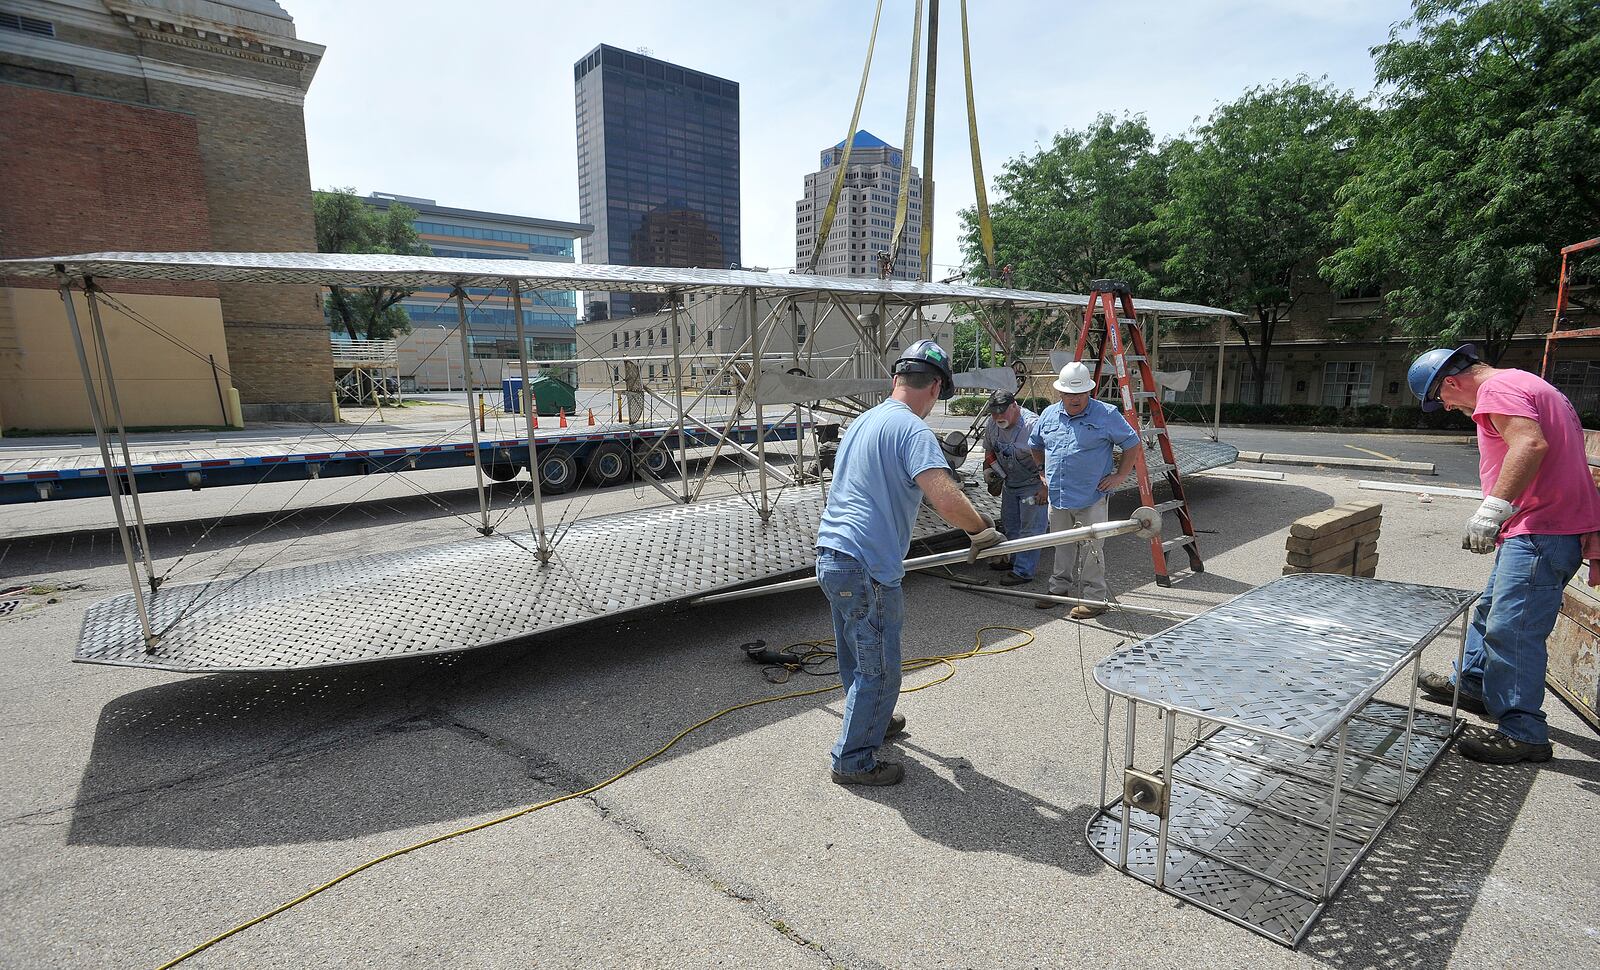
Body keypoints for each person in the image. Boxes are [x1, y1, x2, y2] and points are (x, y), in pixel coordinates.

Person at [815, 338, 1004, 787]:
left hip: (832, 554)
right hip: (867, 562)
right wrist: (982, 529)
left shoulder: (865, 420)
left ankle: (872, 724)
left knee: (855, 654)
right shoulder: (913, 430)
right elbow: (944, 496)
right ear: (935, 387)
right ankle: (853, 759)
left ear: (896, 378)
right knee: (879, 664)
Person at [1408, 344, 1600, 764]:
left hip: (1542, 529)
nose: (1450, 408)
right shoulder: (1527, 383)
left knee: (1513, 630)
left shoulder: (1498, 390)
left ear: (1451, 382)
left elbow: (1528, 445)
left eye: (1443, 400)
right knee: (1492, 610)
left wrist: (1493, 509)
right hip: (1539, 527)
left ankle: (1523, 732)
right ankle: (1475, 684)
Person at [1029, 361, 1140, 619]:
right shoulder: (1048, 415)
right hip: (1058, 496)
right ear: (1060, 393)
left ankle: (1094, 599)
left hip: (1091, 497)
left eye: (1079, 393)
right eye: (1069, 393)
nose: (1074, 398)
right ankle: (1058, 591)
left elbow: (1131, 443)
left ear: (1089, 391)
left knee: (1092, 549)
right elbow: (1034, 444)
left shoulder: (1107, 414)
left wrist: (1120, 475)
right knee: (1061, 545)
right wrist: (1042, 471)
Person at [982, 390, 1047, 586]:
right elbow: (989, 450)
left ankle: (1024, 572)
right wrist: (990, 475)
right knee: (1011, 525)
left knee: (1031, 529)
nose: (998, 417)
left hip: (1033, 485)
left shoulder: (1032, 425)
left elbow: (1053, 457)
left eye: (1003, 412)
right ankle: (1015, 560)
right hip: (1010, 483)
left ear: (1014, 406)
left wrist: (1046, 488)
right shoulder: (993, 424)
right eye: (994, 413)